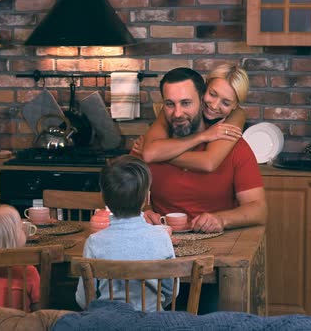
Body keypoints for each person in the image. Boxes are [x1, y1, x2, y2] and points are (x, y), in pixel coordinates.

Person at [138, 67, 267, 233]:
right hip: (161, 241)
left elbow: (259, 210)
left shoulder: (234, 145)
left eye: (186, 103)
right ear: (204, 93)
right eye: (170, 104)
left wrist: (222, 219)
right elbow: (127, 195)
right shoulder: (152, 141)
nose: (213, 106)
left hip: (219, 242)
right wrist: (144, 211)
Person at [75, 155, 177, 312]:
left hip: (108, 323)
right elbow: (172, 292)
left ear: (104, 198)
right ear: (147, 197)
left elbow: (84, 299)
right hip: (153, 323)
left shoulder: (94, 242)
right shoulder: (161, 238)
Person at [133, 64, 249, 172]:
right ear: (204, 88)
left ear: (235, 105)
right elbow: (150, 153)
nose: (214, 106)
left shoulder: (236, 116)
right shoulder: (175, 109)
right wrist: (203, 136)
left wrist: (159, 154)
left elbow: (208, 163)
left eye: (226, 103)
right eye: (212, 94)